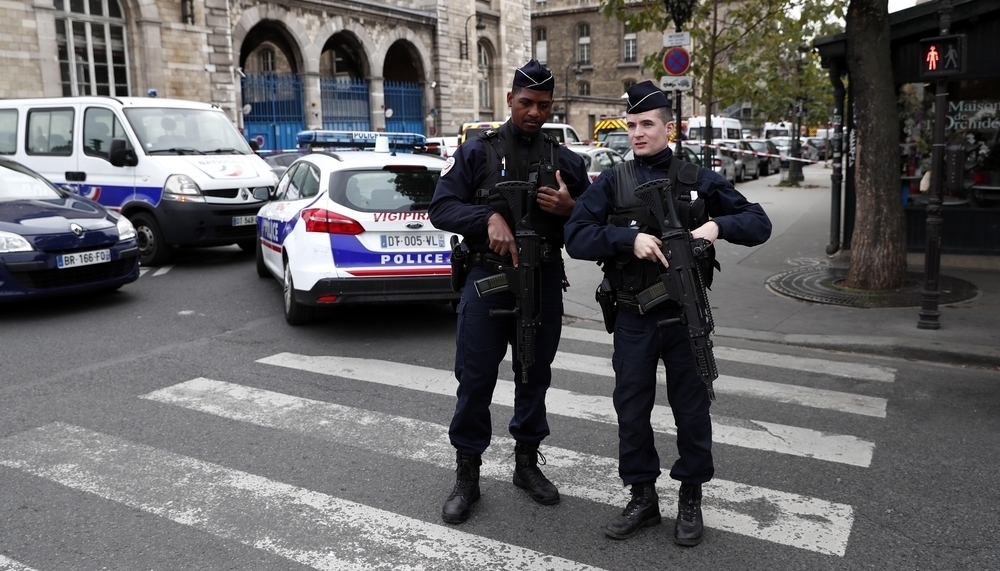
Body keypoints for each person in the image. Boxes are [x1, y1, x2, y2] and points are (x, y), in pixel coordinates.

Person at [564, 80, 771, 545]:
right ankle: (642, 497)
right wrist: (626, 240)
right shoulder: (613, 181)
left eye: (647, 124)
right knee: (631, 410)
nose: (638, 133)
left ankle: (691, 497)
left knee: (692, 411)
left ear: (668, 128)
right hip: (634, 317)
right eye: (632, 125)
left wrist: (716, 225)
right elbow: (576, 236)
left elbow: (759, 222)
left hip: (684, 317)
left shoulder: (698, 180)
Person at [429, 60, 591, 524]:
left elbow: (597, 222)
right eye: (526, 103)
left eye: (543, 105)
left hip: (541, 284)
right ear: (509, 100)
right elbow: (440, 207)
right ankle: (467, 477)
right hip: (488, 281)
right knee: (475, 381)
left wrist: (570, 206)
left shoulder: (566, 161)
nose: (534, 113)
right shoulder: (477, 152)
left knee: (534, 377)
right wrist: (486, 219)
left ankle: (526, 465)